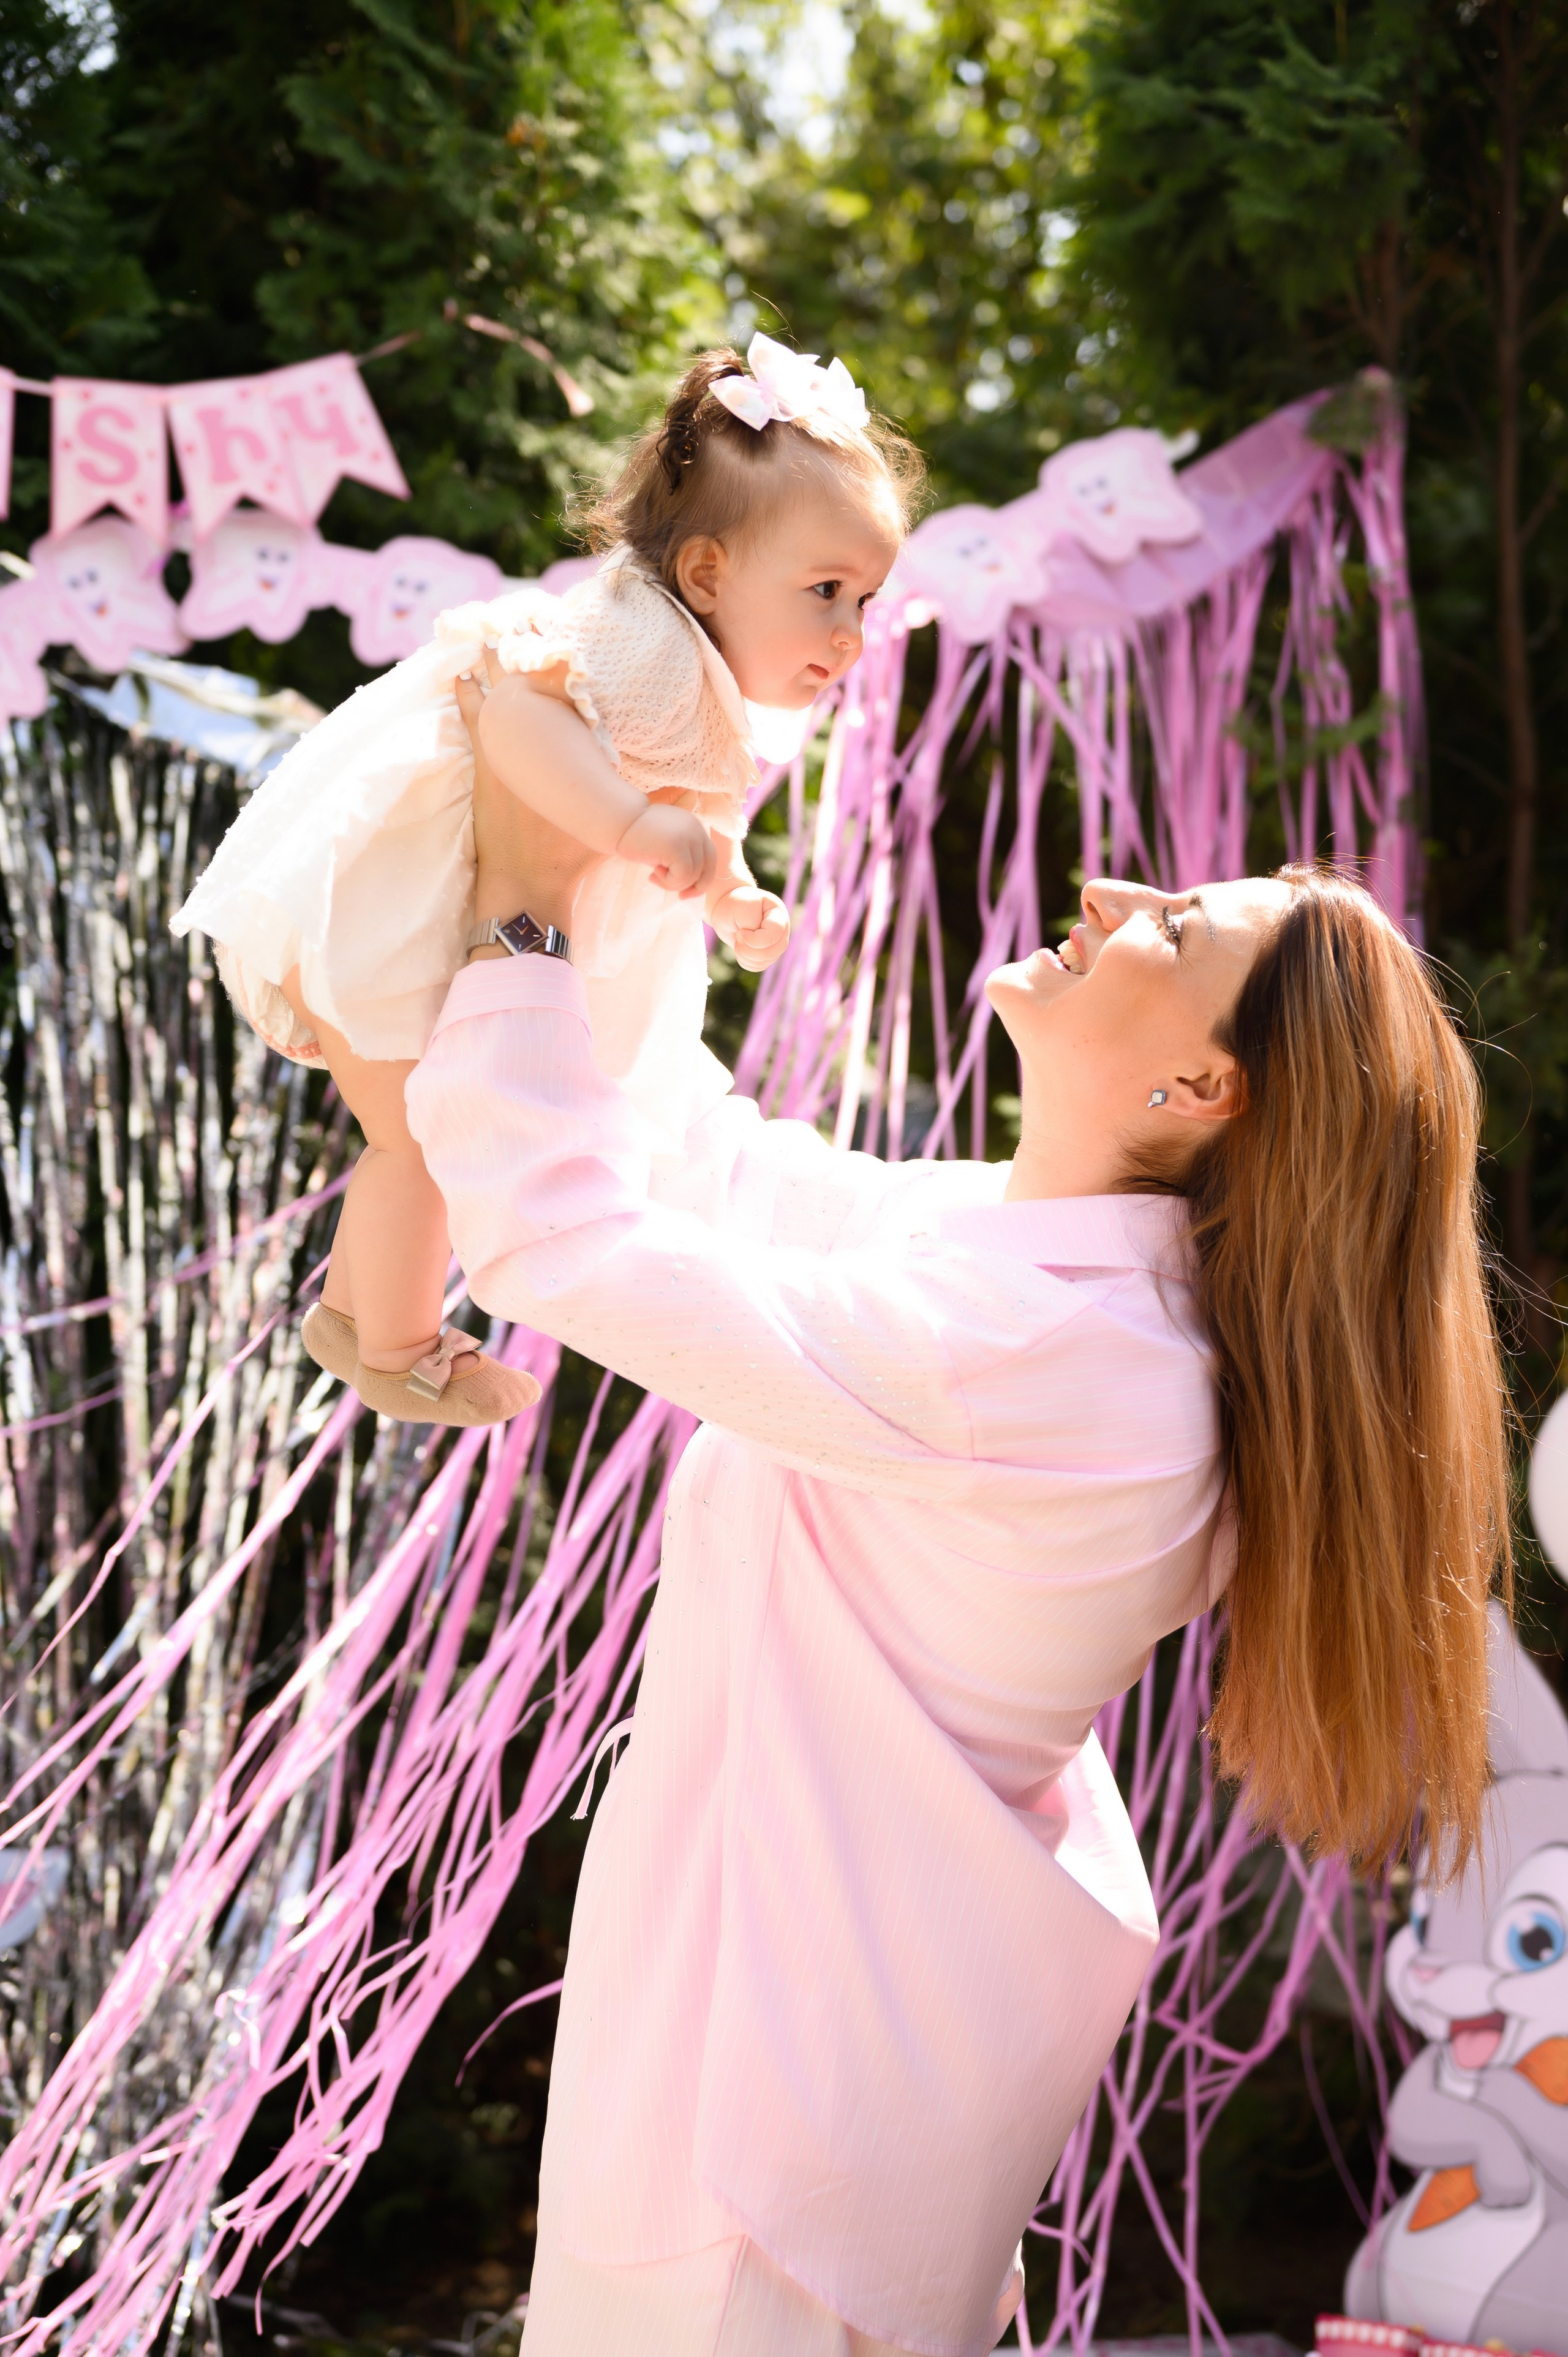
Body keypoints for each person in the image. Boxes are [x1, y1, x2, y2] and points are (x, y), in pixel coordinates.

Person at [407, 742, 1511, 2357]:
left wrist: (511, 923)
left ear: (1203, 1090)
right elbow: (712, 1169)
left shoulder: (1048, 1354)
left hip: (770, 2119)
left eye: (1177, 925)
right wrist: (615, 869)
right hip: (799, 2059)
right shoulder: (1062, 1290)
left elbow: (566, 1240)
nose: (1114, 890)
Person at [172, 334, 918, 1427]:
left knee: (425, 1136)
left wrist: (726, 893)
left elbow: (693, 812)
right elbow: (519, 713)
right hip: (396, 895)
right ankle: (393, 1343)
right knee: (420, 1139)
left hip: (429, 908)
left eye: (866, 601)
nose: (851, 635)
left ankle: (365, 1321)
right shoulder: (644, 641)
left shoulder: (700, 679)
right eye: (826, 592)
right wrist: (630, 824)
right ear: (708, 572)